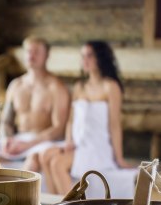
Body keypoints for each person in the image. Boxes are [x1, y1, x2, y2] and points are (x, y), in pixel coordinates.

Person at [35, 40, 135, 196]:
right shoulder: (79, 87)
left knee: (57, 163)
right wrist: (68, 141)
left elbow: (115, 125)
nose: (84, 60)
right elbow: (70, 120)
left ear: (100, 58)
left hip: (96, 147)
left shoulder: (110, 87)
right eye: (82, 56)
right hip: (78, 144)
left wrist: (119, 158)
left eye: (89, 56)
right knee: (45, 155)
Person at [0, 36, 70, 166]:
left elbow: (58, 128)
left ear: (46, 56)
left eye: (36, 52)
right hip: (19, 138)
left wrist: (29, 144)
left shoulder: (56, 88)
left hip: (42, 142)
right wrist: (7, 139)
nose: (31, 56)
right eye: (28, 51)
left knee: (33, 161)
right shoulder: (16, 85)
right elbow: (6, 121)